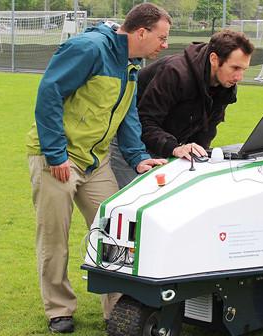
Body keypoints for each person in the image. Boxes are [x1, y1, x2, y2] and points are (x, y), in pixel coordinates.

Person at [25, 3, 171, 333]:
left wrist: (136, 156)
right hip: (57, 159)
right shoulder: (89, 49)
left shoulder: (131, 64)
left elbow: (127, 113)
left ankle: (119, 307)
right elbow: (49, 93)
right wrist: (55, 154)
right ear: (142, 32)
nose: (164, 45)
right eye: (161, 38)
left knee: (114, 231)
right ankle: (59, 309)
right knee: (55, 238)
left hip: (96, 161)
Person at [110, 30, 254, 188]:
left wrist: (200, 157)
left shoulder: (226, 86)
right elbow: (144, 121)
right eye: (235, 68)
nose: (240, 77)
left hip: (163, 142)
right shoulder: (175, 72)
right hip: (128, 140)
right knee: (134, 200)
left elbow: (206, 129)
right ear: (214, 59)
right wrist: (175, 148)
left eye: (243, 70)